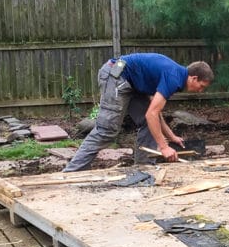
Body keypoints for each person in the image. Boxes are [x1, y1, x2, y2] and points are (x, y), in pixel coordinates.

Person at [63, 54, 213, 172]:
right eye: (201, 86)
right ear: (194, 78)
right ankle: (72, 172)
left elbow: (154, 112)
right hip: (116, 76)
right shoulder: (173, 78)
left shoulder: (175, 74)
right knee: (106, 130)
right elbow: (152, 114)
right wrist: (164, 147)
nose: (201, 90)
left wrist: (171, 137)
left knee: (149, 124)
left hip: (130, 83)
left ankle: (143, 168)